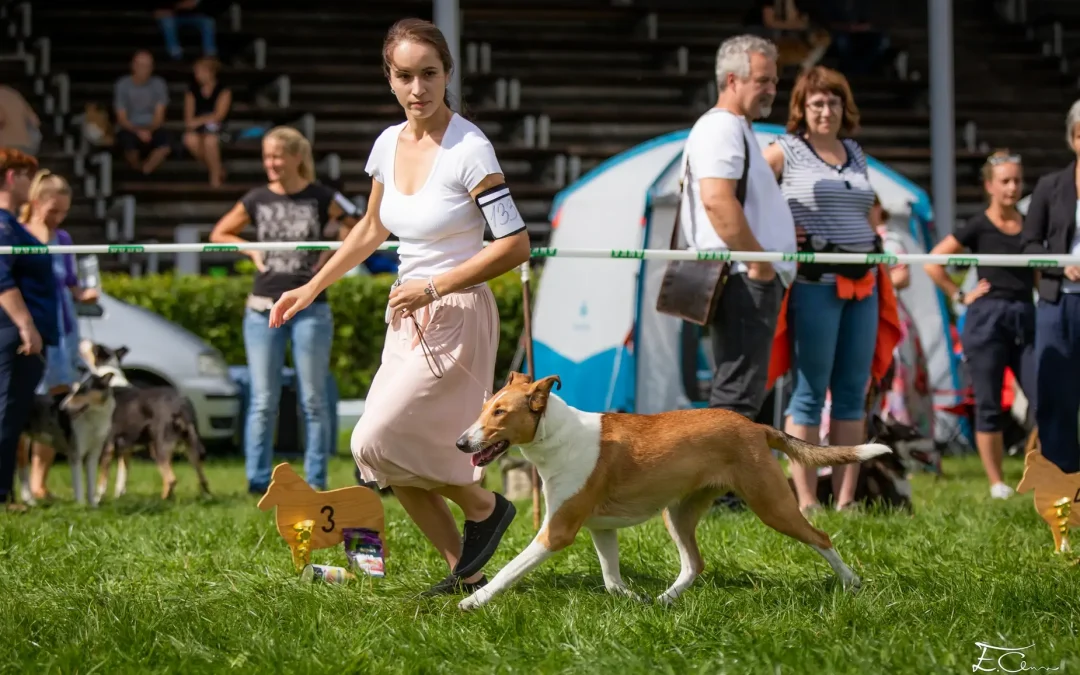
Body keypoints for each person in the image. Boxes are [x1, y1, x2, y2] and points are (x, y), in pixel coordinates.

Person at [268, 18, 531, 596]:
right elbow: (370, 228)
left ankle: (486, 507)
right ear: (389, 79)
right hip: (406, 317)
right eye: (405, 75)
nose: (418, 88)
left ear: (447, 75)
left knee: (374, 440)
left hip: (455, 314)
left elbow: (515, 245)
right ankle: (470, 573)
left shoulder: (472, 148)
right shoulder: (387, 144)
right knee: (382, 457)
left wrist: (434, 288)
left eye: (430, 74)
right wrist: (310, 287)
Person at [762, 66, 894, 514]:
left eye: (833, 101)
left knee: (854, 391)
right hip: (814, 284)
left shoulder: (855, 151)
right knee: (809, 392)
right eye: (817, 102)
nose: (825, 110)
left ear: (844, 107)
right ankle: (803, 500)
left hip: (865, 282)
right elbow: (749, 190)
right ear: (801, 108)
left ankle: (845, 499)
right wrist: (779, 233)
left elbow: (871, 209)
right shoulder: (785, 149)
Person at [210, 126, 360, 495]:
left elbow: (356, 227)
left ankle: (316, 481)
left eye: (277, 156)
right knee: (263, 400)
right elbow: (220, 233)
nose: (271, 164)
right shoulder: (256, 198)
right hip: (262, 308)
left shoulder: (322, 196)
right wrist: (250, 249)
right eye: (266, 157)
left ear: (297, 157)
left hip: (310, 307)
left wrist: (327, 258)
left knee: (313, 399)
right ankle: (258, 481)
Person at [681, 35, 796, 424]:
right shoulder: (722, 128)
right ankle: (723, 486)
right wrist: (759, 263)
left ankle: (725, 484)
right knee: (737, 398)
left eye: (775, 81)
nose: (772, 90)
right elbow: (716, 199)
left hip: (745, 277)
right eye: (763, 80)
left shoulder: (736, 128)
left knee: (741, 395)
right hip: (743, 279)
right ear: (732, 80)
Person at [925, 151, 1036, 497]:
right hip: (986, 319)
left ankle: (1041, 474)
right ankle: (997, 483)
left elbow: (1036, 272)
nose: (1013, 187)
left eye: (1017, 180)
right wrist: (960, 295)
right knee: (988, 403)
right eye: (1005, 181)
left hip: (1025, 314)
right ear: (990, 185)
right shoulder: (977, 225)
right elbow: (933, 262)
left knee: (1046, 399)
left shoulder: (1031, 225)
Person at [16, 171, 96, 503]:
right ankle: (18, 483)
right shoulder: (19, 235)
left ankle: (39, 482)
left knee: (54, 407)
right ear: (36, 203)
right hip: (32, 329)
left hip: (64, 329)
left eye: (64, 211)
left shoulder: (63, 239)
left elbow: (70, 283)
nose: (58, 218)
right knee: (24, 407)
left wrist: (84, 293)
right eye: (53, 210)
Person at [1020, 100, 1080, 476]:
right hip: (1058, 306)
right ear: (1074, 138)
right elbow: (1029, 244)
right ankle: (1064, 483)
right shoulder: (1050, 186)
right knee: (1056, 397)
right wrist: (1061, 264)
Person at [0, 148, 57, 512]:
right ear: (10, 177)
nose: (30, 185)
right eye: (25, 176)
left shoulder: (13, 224)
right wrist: (26, 326)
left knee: (12, 413)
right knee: (5, 413)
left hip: (19, 334)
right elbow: (1, 279)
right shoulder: (2, 225)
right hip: (13, 335)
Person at [873, 196, 934, 441]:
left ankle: (903, 442)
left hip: (893, 319)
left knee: (900, 383)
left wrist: (872, 279)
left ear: (878, 208)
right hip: (870, 317)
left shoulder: (890, 240)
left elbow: (902, 276)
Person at [114, 50, 172, 175]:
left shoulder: (159, 84)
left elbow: (159, 115)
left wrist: (149, 130)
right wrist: (138, 131)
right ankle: (136, 168)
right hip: (130, 127)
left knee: (165, 144)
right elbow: (122, 118)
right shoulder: (122, 85)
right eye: (141, 65)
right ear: (133, 66)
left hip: (152, 126)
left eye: (148, 66)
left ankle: (146, 169)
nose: (144, 70)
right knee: (128, 145)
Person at [183, 56, 231, 188]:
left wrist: (200, 120)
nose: (197, 75)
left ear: (210, 72)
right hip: (199, 129)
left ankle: (214, 179)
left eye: (200, 71)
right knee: (189, 140)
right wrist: (205, 120)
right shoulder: (192, 91)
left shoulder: (223, 90)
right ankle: (217, 168)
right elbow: (189, 120)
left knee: (210, 141)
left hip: (219, 129)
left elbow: (219, 115)